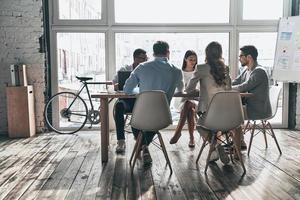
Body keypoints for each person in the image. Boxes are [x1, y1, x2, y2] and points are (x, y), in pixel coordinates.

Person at [124, 41, 184, 167]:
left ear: (153, 53)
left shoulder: (142, 67)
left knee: (136, 122)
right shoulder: (177, 71)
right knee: (153, 121)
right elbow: (181, 90)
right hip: (163, 117)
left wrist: (142, 92)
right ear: (168, 52)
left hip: (141, 117)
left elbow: (127, 90)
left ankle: (143, 145)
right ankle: (145, 146)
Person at [185, 41, 232, 164]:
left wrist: (200, 90)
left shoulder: (201, 68)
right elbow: (229, 89)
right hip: (227, 114)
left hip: (208, 112)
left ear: (207, 53)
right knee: (214, 126)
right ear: (220, 53)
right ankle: (216, 148)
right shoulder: (225, 68)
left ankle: (215, 146)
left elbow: (189, 89)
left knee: (199, 126)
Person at [232, 45, 271, 150]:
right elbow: (236, 82)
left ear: (249, 57)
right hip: (249, 106)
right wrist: (223, 85)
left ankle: (238, 143)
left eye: (241, 56)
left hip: (258, 109)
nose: (239, 58)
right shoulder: (246, 70)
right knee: (230, 111)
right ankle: (238, 141)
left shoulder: (259, 71)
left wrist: (226, 89)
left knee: (231, 114)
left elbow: (244, 86)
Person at [113, 48, 148, 154]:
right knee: (118, 106)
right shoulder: (125, 69)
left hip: (140, 101)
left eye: (146, 59)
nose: (145, 61)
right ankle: (121, 141)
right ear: (135, 58)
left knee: (142, 111)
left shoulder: (147, 71)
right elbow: (114, 83)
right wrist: (117, 85)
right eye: (143, 58)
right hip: (126, 101)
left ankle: (140, 139)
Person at [169, 50, 198, 147]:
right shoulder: (179, 72)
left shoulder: (197, 72)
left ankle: (178, 132)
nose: (193, 62)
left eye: (194, 60)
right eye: (191, 59)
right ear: (185, 59)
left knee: (189, 105)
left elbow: (199, 88)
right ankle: (191, 138)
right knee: (189, 108)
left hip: (195, 99)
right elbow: (176, 88)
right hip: (181, 100)